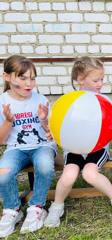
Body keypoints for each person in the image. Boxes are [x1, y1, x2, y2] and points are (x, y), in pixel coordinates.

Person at [44, 57, 112, 228]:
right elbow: (59, 124)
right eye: (96, 80)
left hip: (97, 148)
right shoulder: (68, 102)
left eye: (102, 79)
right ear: (80, 79)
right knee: (68, 176)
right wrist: (53, 131)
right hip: (73, 148)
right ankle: (56, 207)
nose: (100, 83)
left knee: (89, 174)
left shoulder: (104, 102)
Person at [0, 55, 56, 237]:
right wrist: (8, 122)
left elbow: (52, 134)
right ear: (7, 77)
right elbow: (1, 141)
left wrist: (45, 121)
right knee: (3, 173)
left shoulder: (40, 100)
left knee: (45, 166)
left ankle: (37, 207)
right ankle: (12, 210)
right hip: (15, 148)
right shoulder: (2, 102)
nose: (29, 83)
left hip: (42, 145)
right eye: (22, 77)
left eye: (32, 78)